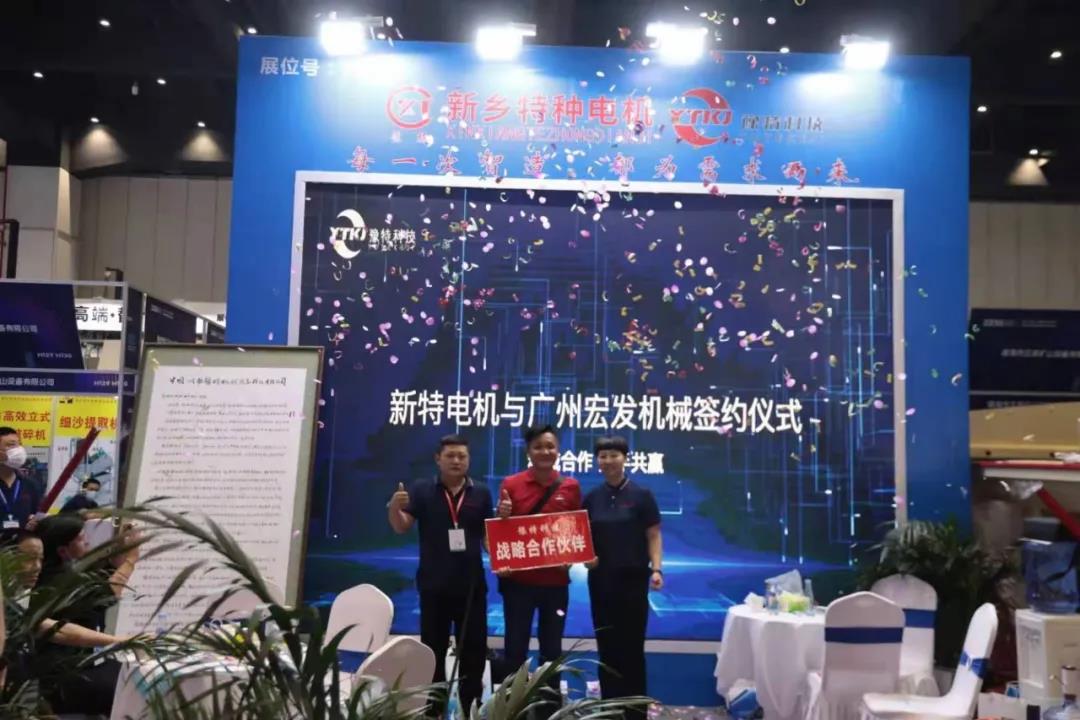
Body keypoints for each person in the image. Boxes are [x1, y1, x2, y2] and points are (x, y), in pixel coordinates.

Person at [388, 434, 493, 716]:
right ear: (438, 459)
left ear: (468, 460)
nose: (456, 461)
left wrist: (501, 551)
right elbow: (401, 526)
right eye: (450, 456)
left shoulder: (481, 493)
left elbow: (487, 536)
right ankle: (433, 709)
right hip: (434, 586)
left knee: (473, 652)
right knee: (432, 651)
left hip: (472, 588)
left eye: (462, 456)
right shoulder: (422, 490)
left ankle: (470, 707)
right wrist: (394, 507)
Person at [496, 424, 582, 713]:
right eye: (538, 447)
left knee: (551, 651)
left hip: (555, 584)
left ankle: (549, 712)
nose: (545, 451)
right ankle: (512, 711)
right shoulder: (511, 483)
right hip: (518, 584)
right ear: (528, 451)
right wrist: (502, 516)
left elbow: (576, 530)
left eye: (550, 446)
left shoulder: (570, 486)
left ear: (558, 450)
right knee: (514, 649)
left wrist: (572, 555)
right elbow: (502, 530)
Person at [582, 436, 663, 719]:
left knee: (632, 648)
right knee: (607, 649)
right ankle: (609, 711)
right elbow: (583, 537)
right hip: (601, 583)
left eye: (613, 455)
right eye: (603, 456)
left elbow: (653, 535)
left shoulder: (642, 495)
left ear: (625, 458)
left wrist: (657, 569)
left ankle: (635, 712)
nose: (608, 461)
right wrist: (586, 556)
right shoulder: (592, 497)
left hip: (633, 582)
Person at [32, 514, 140, 715]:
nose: (88, 541)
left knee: (129, 675)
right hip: (64, 673)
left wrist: (119, 544)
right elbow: (107, 594)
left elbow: (107, 570)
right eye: (81, 539)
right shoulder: (62, 581)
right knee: (131, 687)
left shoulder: (58, 571)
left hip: (76, 662)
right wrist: (132, 560)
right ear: (63, 550)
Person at [0, 427, 44, 532]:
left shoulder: (31, 484)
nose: (18, 450)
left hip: (23, 540)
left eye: (19, 445)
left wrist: (37, 521)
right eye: (11, 445)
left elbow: (38, 514)